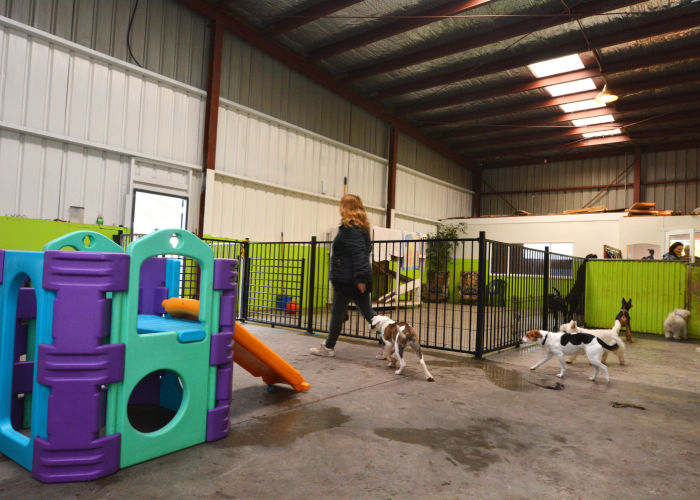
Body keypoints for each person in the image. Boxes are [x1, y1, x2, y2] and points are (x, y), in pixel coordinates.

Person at [310, 194, 377, 357]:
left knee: (338, 312)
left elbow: (360, 254)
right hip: (352, 278)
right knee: (369, 314)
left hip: (347, 280)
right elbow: (365, 251)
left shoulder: (351, 228)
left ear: (346, 208)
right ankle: (390, 344)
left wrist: (360, 278)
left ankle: (328, 347)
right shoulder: (361, 227)